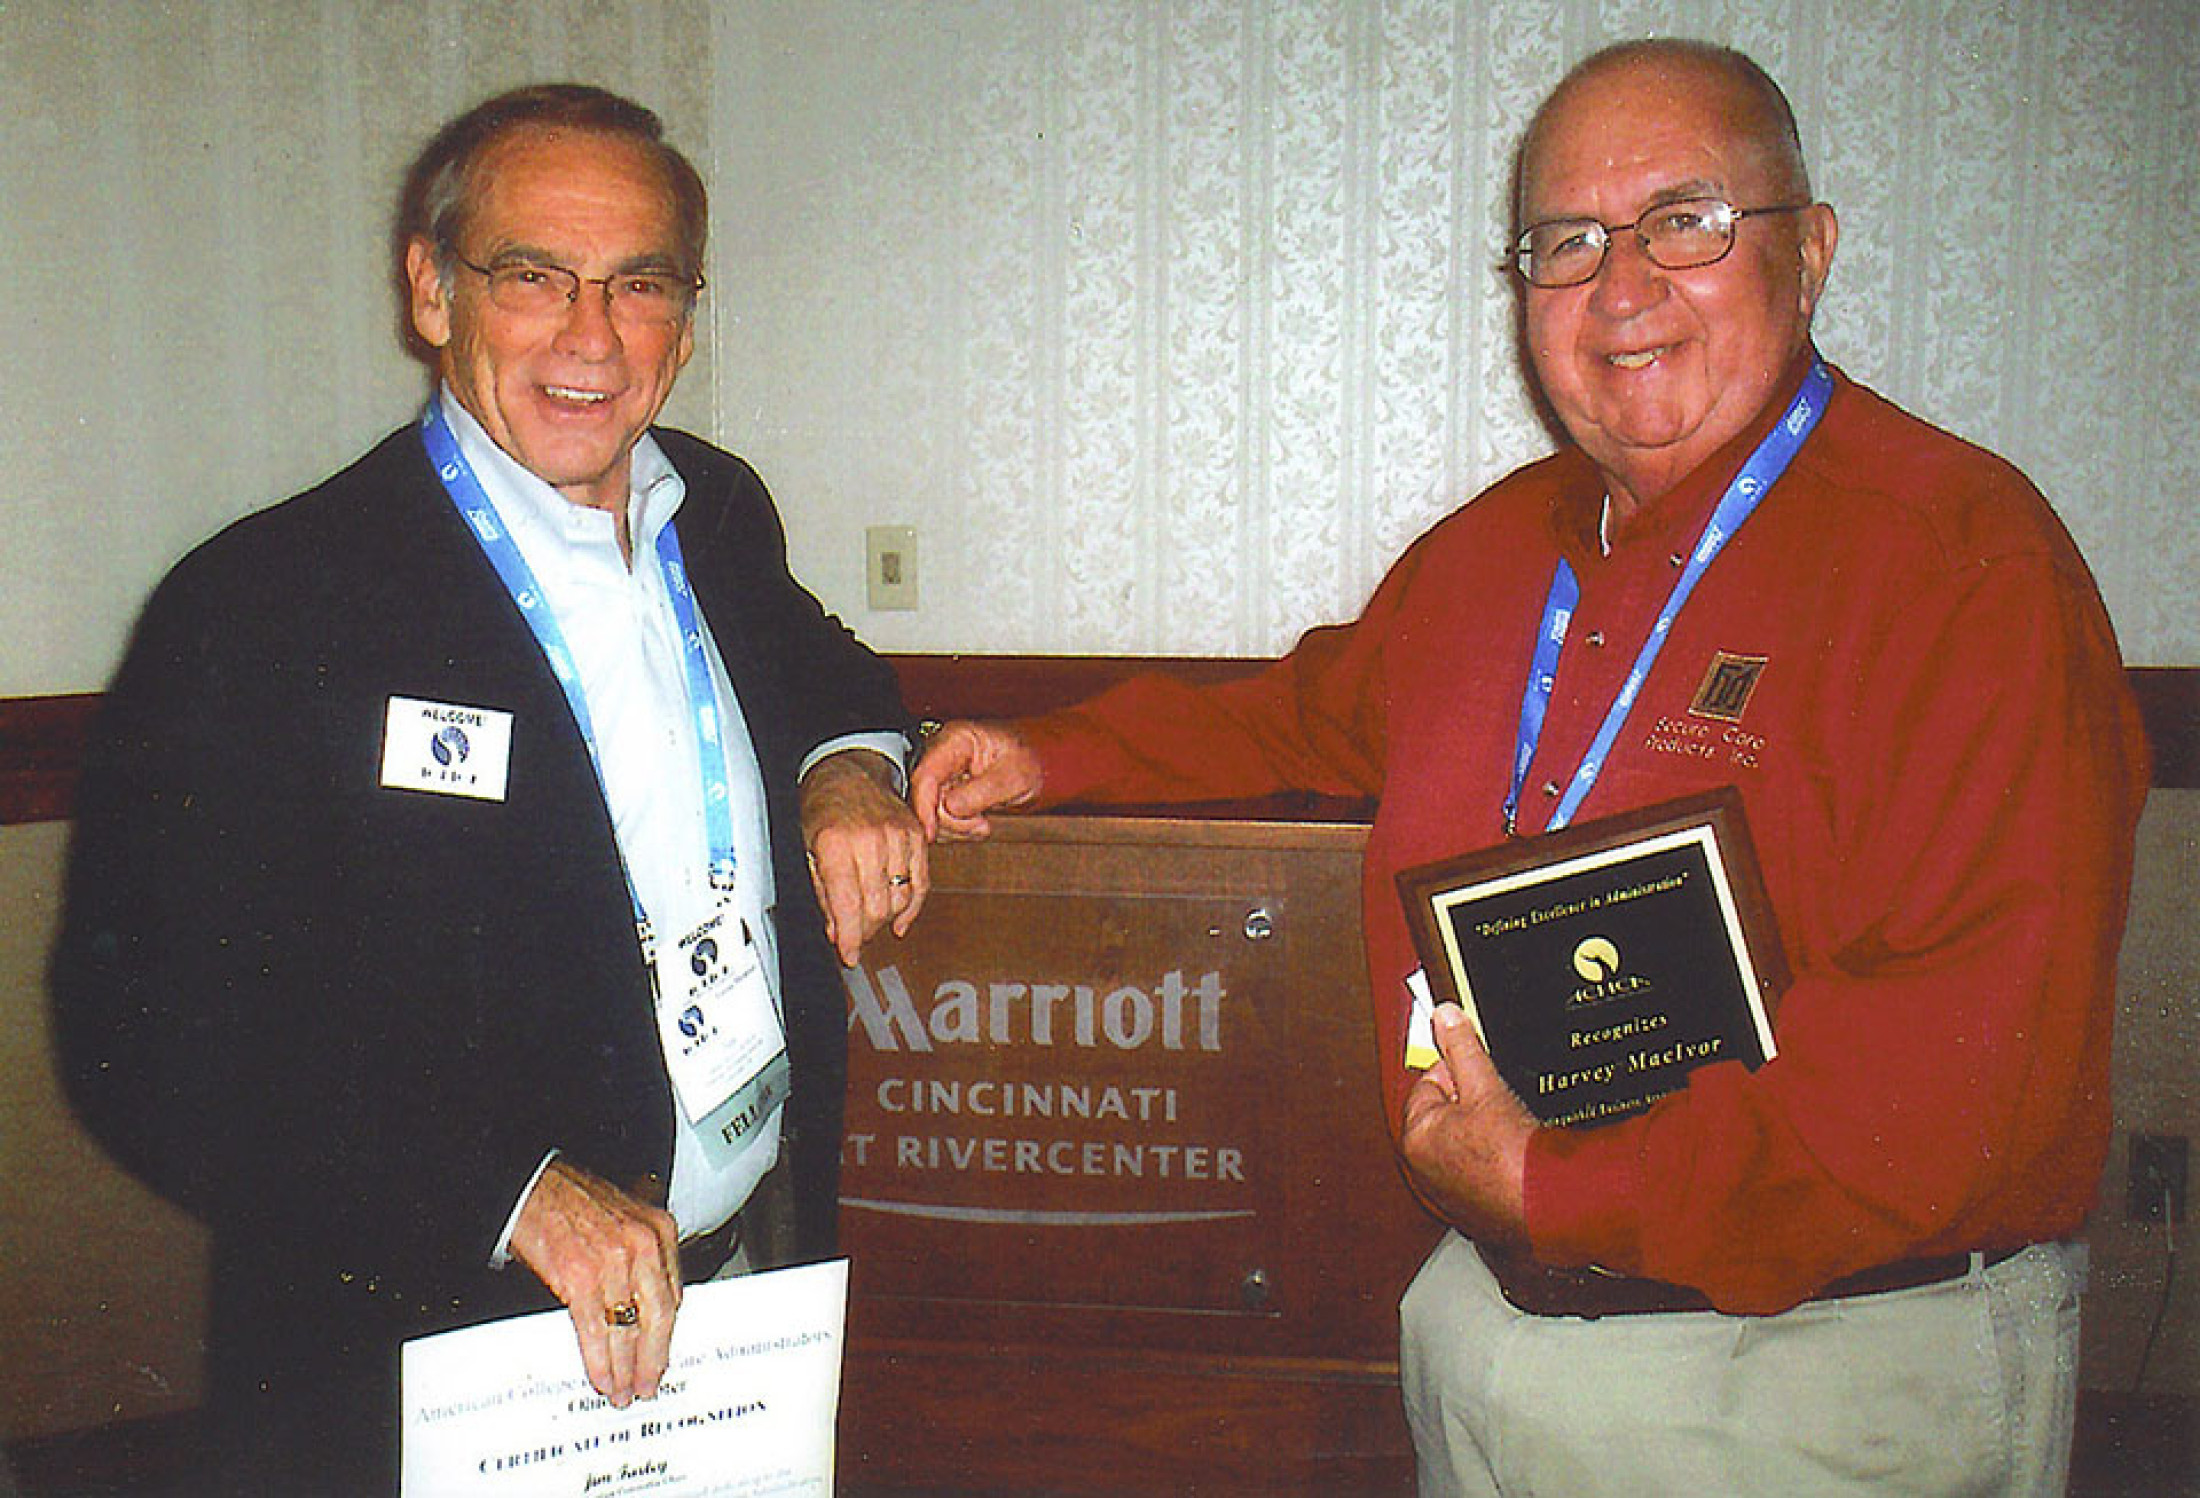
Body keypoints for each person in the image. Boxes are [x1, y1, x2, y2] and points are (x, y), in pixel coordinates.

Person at [910, 39, 2149, 1497]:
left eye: (1683, 221)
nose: (1619, 288)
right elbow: (1308, 714)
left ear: (1806, 254)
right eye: (1565, 243)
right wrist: (1053, 749)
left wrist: (1569, 1182)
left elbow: (1962, 1072)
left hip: (1816, 1370)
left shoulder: (1963, 564)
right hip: (1491, 1329)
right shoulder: (1498, 551)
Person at [51, 84, 928, 1493]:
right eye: (533, 276)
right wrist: (503, 1189)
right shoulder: (265, 606)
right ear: (431, 290)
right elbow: (137, 1036)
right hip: (421, 1357)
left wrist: (844, 769)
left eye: (638, 283)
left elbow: (821, 665)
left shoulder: (714, 504)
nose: (592, 335)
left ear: (684, 319)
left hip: (727, 1310)